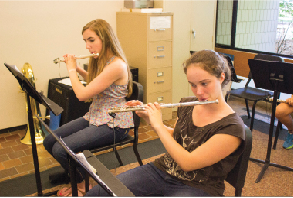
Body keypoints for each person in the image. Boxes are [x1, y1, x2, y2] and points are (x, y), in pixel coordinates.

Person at [85, 50, 246, 197]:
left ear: (221, 77)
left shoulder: (232, 127)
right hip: (163, 170)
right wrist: (150, 118)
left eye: (204, 83)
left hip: (198, 186)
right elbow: (177, 137)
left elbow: (188, 163)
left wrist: (158, 125)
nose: (198, 92)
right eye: (193, 84)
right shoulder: (189, 104)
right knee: (102, 192)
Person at [43, 19, 134, 196]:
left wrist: (70, 69)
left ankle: (84, 185)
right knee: (49, 141)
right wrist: (78, 69)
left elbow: (83, 95)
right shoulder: (101, 60)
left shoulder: (117, 65)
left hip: (114, 123)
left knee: (61, 149)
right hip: (96, 115)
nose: (87, 46)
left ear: (105, 38)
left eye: (91, 40)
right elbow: (95, 85)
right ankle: (73, 172)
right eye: (85, 41)